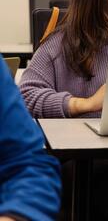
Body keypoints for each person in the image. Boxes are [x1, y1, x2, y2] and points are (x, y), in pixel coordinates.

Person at [0, 55, 61, 220]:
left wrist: (15, 215)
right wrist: (81, 104)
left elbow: (26, 166)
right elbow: (29, 94)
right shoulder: (58, 44)